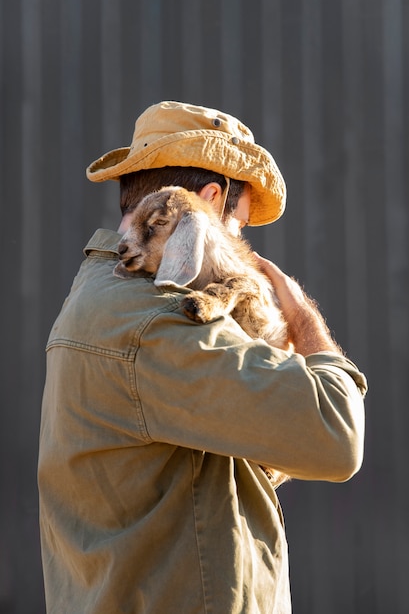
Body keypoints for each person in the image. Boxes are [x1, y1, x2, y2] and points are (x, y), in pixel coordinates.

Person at [38, 101, 367, 614]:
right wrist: (301, 314)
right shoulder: (160, 322)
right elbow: (336, 433)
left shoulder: (102, 300)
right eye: (237, 226)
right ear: (209, 202)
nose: (239, 246)